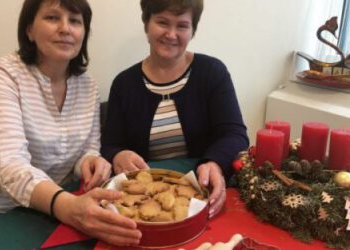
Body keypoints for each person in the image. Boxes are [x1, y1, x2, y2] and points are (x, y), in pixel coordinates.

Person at [0, 0, 141, 246]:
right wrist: (67, 206)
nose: (65, 28)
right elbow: (9, 165)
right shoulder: (2, 76)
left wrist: (91, 162)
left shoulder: (87, 85)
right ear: (29, 29)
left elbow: (88, 150)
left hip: (47, 208)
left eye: (75, 21)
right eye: (52, 18)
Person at [101, 0, 249, 219]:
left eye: (182, 26)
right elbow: (109, 144)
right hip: (145, 209)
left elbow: (235, 134)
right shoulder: (124, 84)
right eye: (162, 22)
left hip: (201, 194)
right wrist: (118, 154)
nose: (171, 34)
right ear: (146, 24)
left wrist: (215, 163)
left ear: (192, 31)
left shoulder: (213, 72)